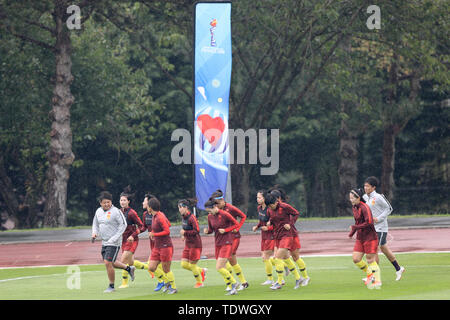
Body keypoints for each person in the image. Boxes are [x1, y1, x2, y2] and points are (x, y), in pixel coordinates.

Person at [91, 191, 136, 293]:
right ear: (100, 203)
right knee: (112, 263)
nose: (107, 204)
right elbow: (95, 224)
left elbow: (123, 225)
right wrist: (94, 233)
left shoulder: (116, 211)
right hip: (104, 241)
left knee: (108, 263)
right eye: (104, 202)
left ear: (111, 202)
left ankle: (111, 286)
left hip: (114, 242)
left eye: (108, 202)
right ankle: (129, 269)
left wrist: (114, 238)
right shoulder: (98, 211)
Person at [363, 176, 405, 281]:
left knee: (373, 251)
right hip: (371, 228)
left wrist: (379, 218)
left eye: (367, 186)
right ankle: (398, 268)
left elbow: (389, 208)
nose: (365, 187)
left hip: (380, 228)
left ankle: (374, 277)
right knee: (384, 249)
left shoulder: (378, 197)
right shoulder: (365, 197)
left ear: (373, 187)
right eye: (364, 185)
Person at [269, 187, 310, 286]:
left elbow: (295, 214)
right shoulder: (272, 208)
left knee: (295, 257)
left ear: (278, 198)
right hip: (279, 236)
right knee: (276, 258)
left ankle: (305, 277)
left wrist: (290, 224)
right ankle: (283, 278)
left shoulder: (285, 207)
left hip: (291, 234)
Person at [210, 189, 249, 291]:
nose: (216, 206)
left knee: (228, 259)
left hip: (234, 237)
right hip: (224, 238)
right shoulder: (216, 212)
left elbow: (243, 216)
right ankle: (239, 282)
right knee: (229, 260)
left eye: (217, 204)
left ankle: (234, 283)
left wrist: (238, 228)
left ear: (222, 200)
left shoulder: (230, 208)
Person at [203, 198, 240, 295]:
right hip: (217, 243)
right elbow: (211, 230)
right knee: (222, 267)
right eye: (208, 211)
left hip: (227, 242)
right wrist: (207, 231)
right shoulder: (210, 216)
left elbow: (236, 224)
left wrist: (226, 230)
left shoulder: (224, 214)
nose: (209, 212)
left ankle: (234, 283)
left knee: (219, 267)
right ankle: (233, 288)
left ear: (215, 207)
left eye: (210, 210)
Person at [348, 188, 382, 289]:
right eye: (349, 198)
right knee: (356, 259)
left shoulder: (364, 207)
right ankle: (370, 275)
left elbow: (369, 222)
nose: (350, 200)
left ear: (358, 197)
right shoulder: (354, 207)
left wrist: (355, 228)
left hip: (370, 237)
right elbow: (357, 223)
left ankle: (377, 281)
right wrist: (352, 233)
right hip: (360, 237)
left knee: (370, 259)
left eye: (352, 198)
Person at [146, 195, 178, 294]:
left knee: (166, 268)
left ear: (150, 208)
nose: (147, 208)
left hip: (166, 246)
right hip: (157, 246)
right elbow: (168, 223)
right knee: (151, 267)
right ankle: (167, 282)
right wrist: (154, 233)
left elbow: (167, 231)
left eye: (147, 206)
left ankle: (173, 287)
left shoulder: (159, 216)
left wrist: (154, 234)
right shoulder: (155, 216)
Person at [118, 187, 145, 289]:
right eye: (121, 200)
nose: (122, 202)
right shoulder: (119, 212)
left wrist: (133, 236)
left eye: (124, 200)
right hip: (123, 241)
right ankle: (151, 269)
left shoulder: (132, 213)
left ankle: (124, 283)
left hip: (132, 241)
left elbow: (142, 226)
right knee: (131, 263)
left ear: (128, 201)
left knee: (122, 261)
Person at [178, 197, 207, 288]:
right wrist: (183, 235)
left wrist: (185, 233)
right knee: (184, 264)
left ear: (186, 207)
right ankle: (201, 271)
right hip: (188, 244)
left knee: (192, 264)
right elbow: (185, 228)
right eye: (178, 208)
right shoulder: (183, 217)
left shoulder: (192, 218)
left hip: (195, 245)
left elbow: (196, 231)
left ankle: (200, 282)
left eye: (180, 207)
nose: (179, 210)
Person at [252, 190, 276, 285]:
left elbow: (277, 224)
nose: (257, 199)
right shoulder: (259, 208)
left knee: (266, 257)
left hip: (271, 235)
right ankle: (284, 264)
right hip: (264, 235)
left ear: (264, 198)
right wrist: (257, 226)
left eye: (259, 197)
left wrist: (268, 228)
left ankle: (271, 279)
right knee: (265, 258)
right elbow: (261, 221)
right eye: (257, 197)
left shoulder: (270, 209)